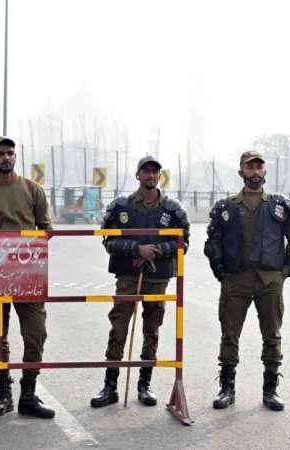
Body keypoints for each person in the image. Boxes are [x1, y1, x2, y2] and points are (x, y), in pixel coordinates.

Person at [205, 150, 290, 411]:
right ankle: (227, 389)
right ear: (241, 172)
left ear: (265, 172)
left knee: (272, 335)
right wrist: (221, 273)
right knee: (229, 335)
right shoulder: (226, 206)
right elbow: (212, 242)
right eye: (250, 168)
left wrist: (284, 273)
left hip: (269, 280)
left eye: (259, 167)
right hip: (235, 280)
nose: (255, 172)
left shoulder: (279, 204)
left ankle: (270, 391)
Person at [0, 136, 55, 419]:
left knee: (36, 333)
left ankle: (28, 393)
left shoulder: (33, 190)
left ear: (16, 158)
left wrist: (21, 246)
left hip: (27, 274)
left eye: (10, 153)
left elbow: (46, 230)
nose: (6, 157)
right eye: (0, 153)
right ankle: (4, 392)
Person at [91, 156, 190, 408]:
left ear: (159, 176)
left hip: (157, 278)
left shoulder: (173, 210)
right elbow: (108, 241)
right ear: (138, 175)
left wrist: (157, 250)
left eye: (155, 172)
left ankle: (145, 385)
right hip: (127, 277)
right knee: (119, 329)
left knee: (151, 331)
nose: (151, 176)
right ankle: (110, 385)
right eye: (146, 171)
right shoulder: (121, 207)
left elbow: (183, 242)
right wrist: (137, 249)